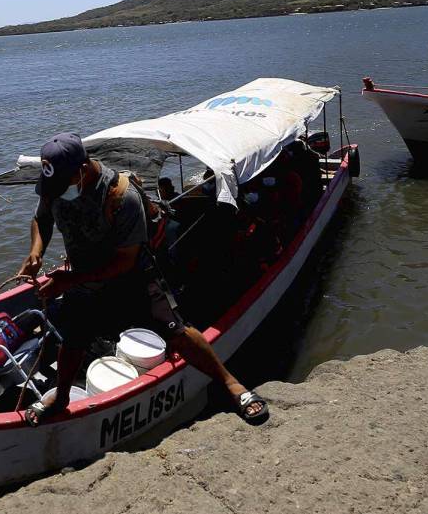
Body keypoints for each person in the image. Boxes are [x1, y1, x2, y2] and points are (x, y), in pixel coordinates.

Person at [18, 133, 269, 426]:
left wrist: (69, 280)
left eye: (63, 185)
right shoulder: (56, 184)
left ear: (83, 169)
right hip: (80, 277)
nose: (58, 192)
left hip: (130, 276)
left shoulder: (122, 196)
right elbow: (42, 219)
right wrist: (35, 252)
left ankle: (231, 384)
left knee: (174, 329)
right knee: (73, 337)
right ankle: (60, 398)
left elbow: (124, 261)